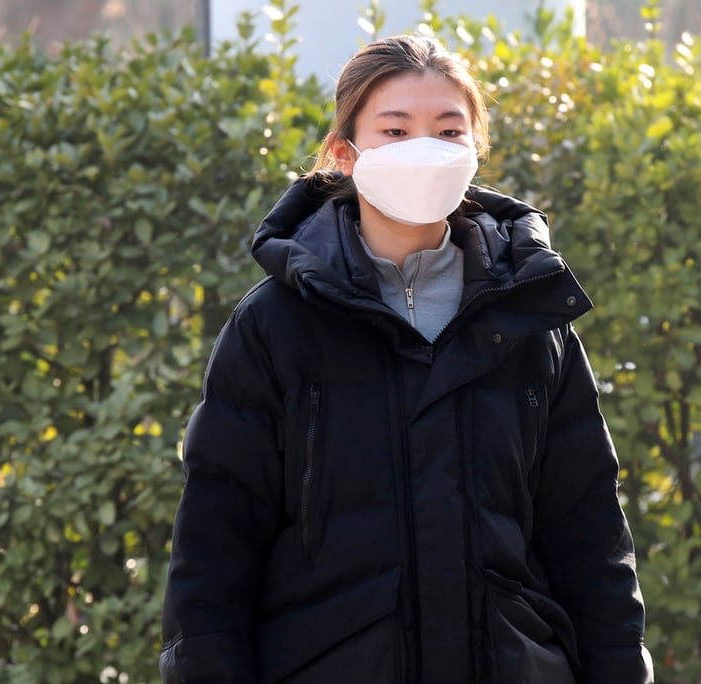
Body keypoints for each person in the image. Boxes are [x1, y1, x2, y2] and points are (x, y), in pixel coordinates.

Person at [160, 33, 654, 684]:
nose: (425, 149)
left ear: (475, 150)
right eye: (395, 130)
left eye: (449, 131)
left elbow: (591, 542)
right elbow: (213, 558)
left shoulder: (531, 321)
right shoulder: (276, 325)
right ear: (345, 153)